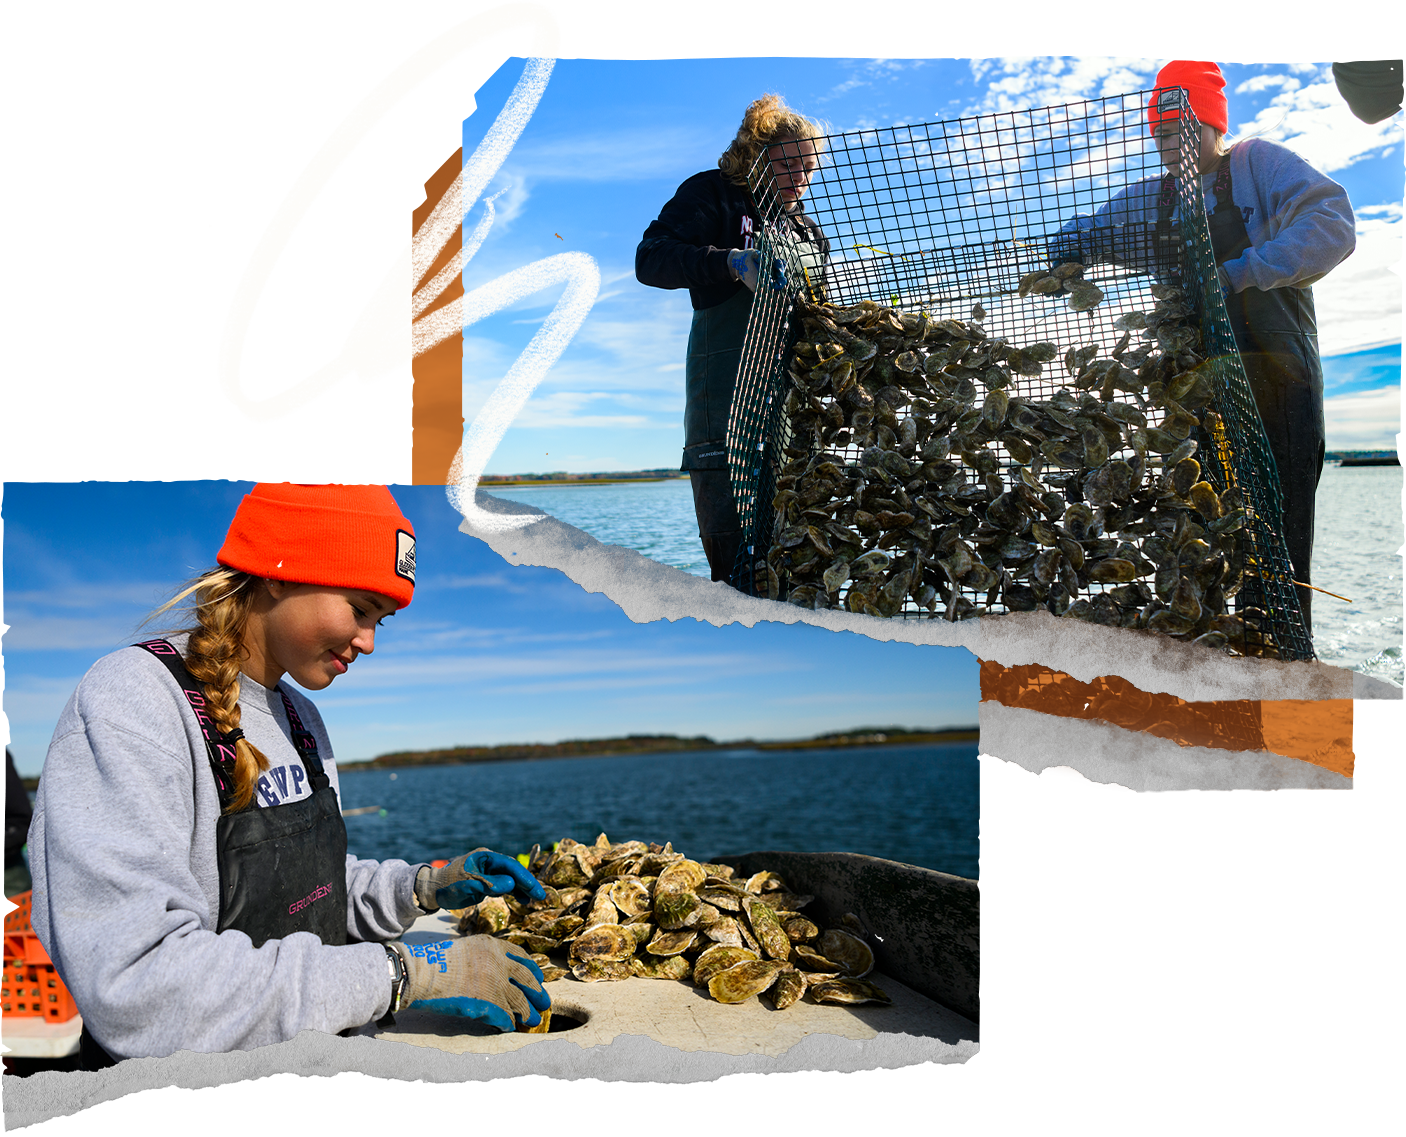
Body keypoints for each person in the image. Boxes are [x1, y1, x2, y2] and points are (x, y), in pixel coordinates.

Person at [27, 483, 551, 1114]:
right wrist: (406, 974)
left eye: (381, 621)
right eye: (360, 609)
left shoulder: (299, 716)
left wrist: (422, 887)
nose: (369, 643)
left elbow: (309, 894)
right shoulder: (134, 702)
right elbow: (137, 987)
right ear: (279, 574)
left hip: (315, 1084)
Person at [1049, 60, 1355, 635]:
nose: (1170, 144)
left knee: (1278, 534)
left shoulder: (1256, 165)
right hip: (1190, 384)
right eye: (1161, 133)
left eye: (1184, 130)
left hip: (1276, 375)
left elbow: (1331, 222)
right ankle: (1210, 668)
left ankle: (1281, 662)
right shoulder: (1149, 200)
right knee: (1195, 530)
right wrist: (1065, 253)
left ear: (1215, 126)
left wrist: (1239, 272)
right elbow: (1085, 234)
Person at [637, 93, 830, 585]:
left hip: (788, 414)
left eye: (809, 169)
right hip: (724, 408)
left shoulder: (806, 230)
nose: (800, 179)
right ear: (757, 152)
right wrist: (730, 262)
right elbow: (651, 259)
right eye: (789, 164)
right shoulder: (716, 193)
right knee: (736, 571)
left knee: (793, 559)